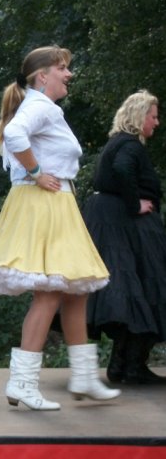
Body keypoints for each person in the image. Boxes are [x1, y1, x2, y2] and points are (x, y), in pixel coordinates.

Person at [0, 45, 121, 410]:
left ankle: (84, 376)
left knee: (75, 291)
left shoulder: (41, 106)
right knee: (51, 293)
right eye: (62, 68)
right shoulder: (40, 106)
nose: (68, 74)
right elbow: (15, 135)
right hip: (46, 203)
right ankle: (22, 383)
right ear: (43, 76)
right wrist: (38, 173)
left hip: (55, 203)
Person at [83, 90, 166, 385]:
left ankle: (123, 365)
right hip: (123, 222)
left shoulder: (118, 142)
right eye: (153, 116)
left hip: (111, 220)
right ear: (140, 116)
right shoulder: (130, 144)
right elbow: (122, 169)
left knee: (133, 290)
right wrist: (135, 204)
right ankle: (131, 366)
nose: (156, 122)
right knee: (147, 287)